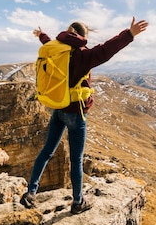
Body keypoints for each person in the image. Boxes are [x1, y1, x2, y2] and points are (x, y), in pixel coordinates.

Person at [21, 17, 149, 214]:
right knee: (76, 159)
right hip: (76, 113)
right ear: (83, 37)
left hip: (59, 108)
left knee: (47, 151)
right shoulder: (83, 55)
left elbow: (48, 43)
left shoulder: (57, 49)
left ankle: (31, 192)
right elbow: (107, 49)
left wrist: (41, 35)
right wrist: (129, 34)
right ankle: (78, 202)